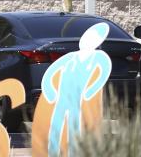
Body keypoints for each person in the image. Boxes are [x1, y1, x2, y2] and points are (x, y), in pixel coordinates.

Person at [41, 22, 112, 156]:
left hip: (77, 97)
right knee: (56, 123)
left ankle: (74, 152)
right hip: (61, 96)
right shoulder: (71, 56)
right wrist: (50, 92)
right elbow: (51, 73)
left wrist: (90, 90)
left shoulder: (98, 56)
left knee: (74, 126)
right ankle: (52, 152)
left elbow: (103, 72)